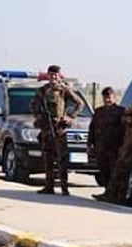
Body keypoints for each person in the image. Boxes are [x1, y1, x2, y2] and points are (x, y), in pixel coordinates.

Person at [95, 78, 132, 203]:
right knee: (123, 167)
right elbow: (126, 117)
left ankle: (114, 195)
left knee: (122, 168)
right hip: (131, 139)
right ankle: (115, 195)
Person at [31, 65, 86, 195]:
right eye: (51, 74)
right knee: (47, 158)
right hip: (46, 128)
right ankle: (49, 186)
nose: (53, 77)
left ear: (59, 76)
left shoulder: (64, 90)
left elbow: (80, 104)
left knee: (62, 159)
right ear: (48, 75)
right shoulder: (42, 91)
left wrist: (70, 117)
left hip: (59, 128)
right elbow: (33, 104)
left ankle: (64, 187)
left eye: (55, 75)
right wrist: (39, 116)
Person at [87, 86, 124, 189]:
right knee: (104, 171)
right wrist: (89, 144)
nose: (107, 100)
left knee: (114, 172)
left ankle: (115, 194)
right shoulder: (99, 112)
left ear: (114, 97)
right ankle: (107, 191)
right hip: (100, 147)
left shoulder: (120, 112)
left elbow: (125, 130)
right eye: (105, 97)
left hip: (114, 147)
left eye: (109, 97)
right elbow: (92, 128)